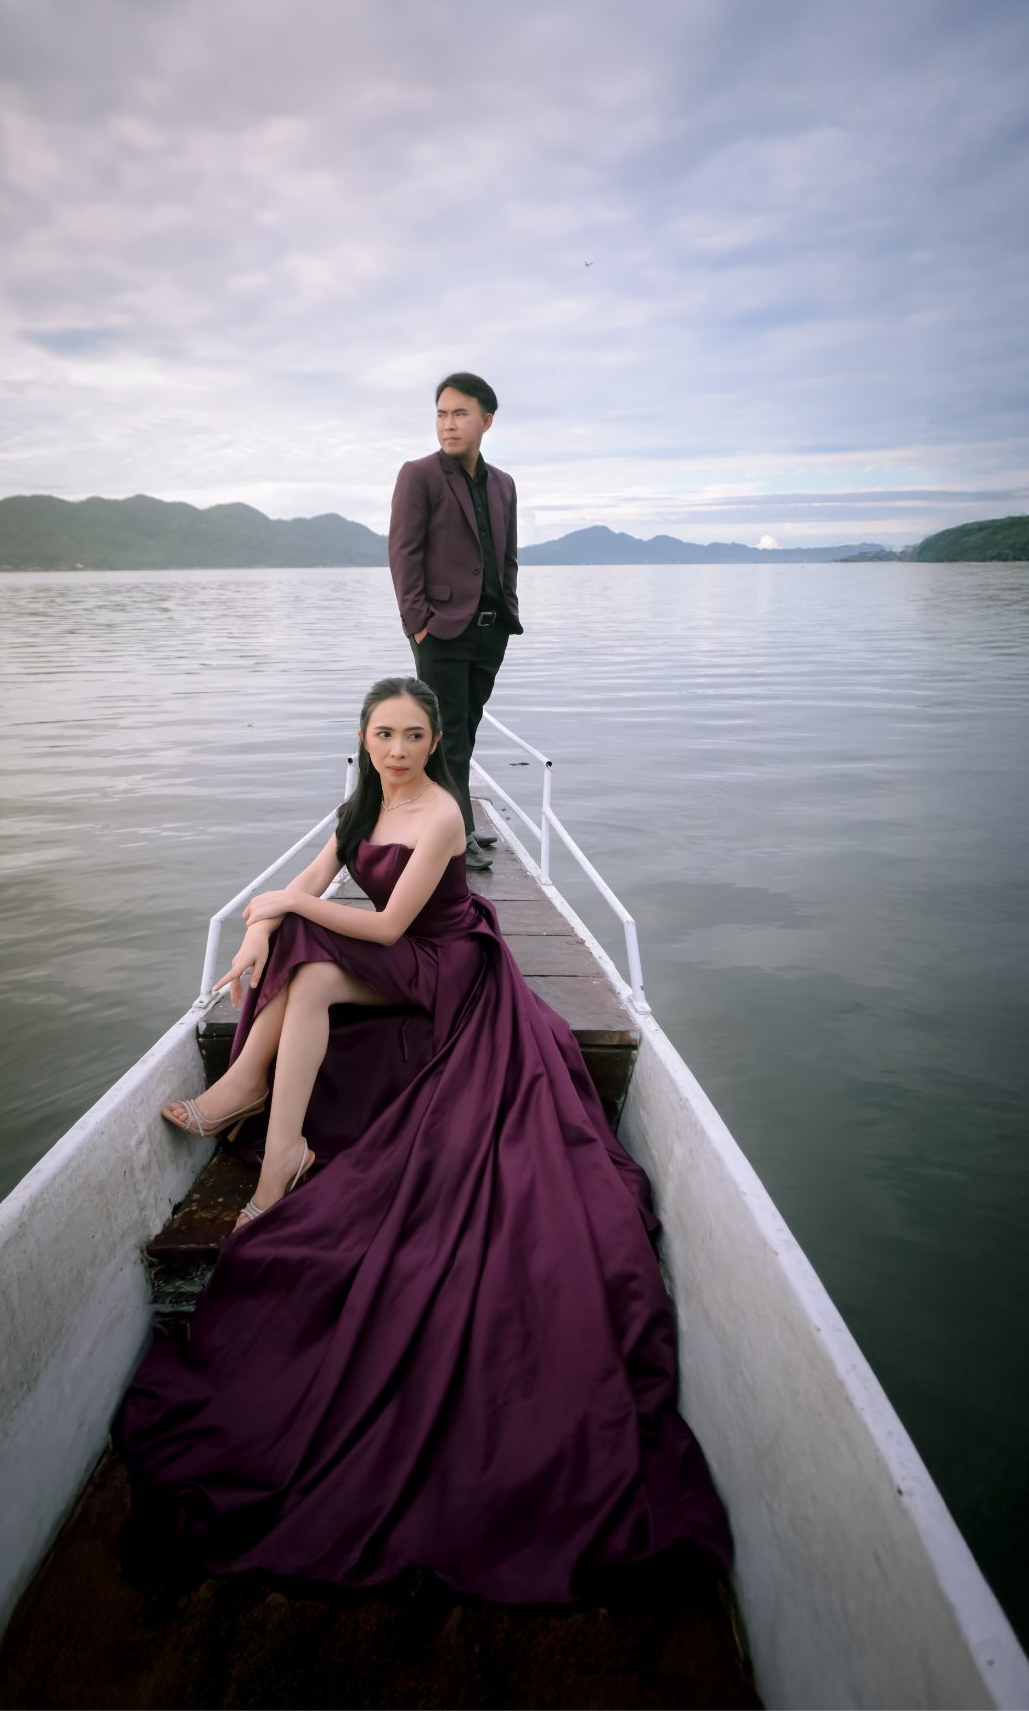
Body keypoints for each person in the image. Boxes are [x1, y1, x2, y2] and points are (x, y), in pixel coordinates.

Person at [116, 676, 730, 1602]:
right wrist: (265, 921)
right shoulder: (361, 804)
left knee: (307, 945)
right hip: (382, 959)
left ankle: (248, 1102)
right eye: (382, 735)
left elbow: (387, 923)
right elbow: (312, 880)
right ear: (363, 738)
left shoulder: (443, 813)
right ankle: (279, 1147)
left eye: (411, 735)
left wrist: (283, 912)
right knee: (302, 968)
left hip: (442, 966)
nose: (397, 751)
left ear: (435, 740)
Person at [388, 372, 522, 871]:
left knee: (467, 729)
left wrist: (509, 610)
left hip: (490, 629)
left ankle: (458, 821)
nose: (448, 424)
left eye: (460, 414)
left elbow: (507, 557)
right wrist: (417, 623)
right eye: (441, 414)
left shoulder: (503, 484)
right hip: (439, 629)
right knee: (448, 734)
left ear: (486, 421)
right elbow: (403, 553)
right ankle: (451, 838)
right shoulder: (419, 475)